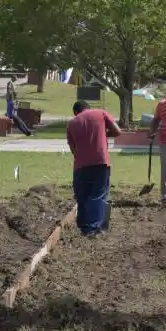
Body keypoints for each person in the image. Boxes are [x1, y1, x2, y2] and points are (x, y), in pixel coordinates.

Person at [66, 100, 121, 237]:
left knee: (82, 196)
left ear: (75, 112)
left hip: (80, 165)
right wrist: (102, 133)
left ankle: (84, 226)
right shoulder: (100, 113)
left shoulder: (72, 123)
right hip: (100, 161)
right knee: (98, 194)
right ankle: (93, 228)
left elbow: (73, 149)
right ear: (88, 108)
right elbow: (117, 131)